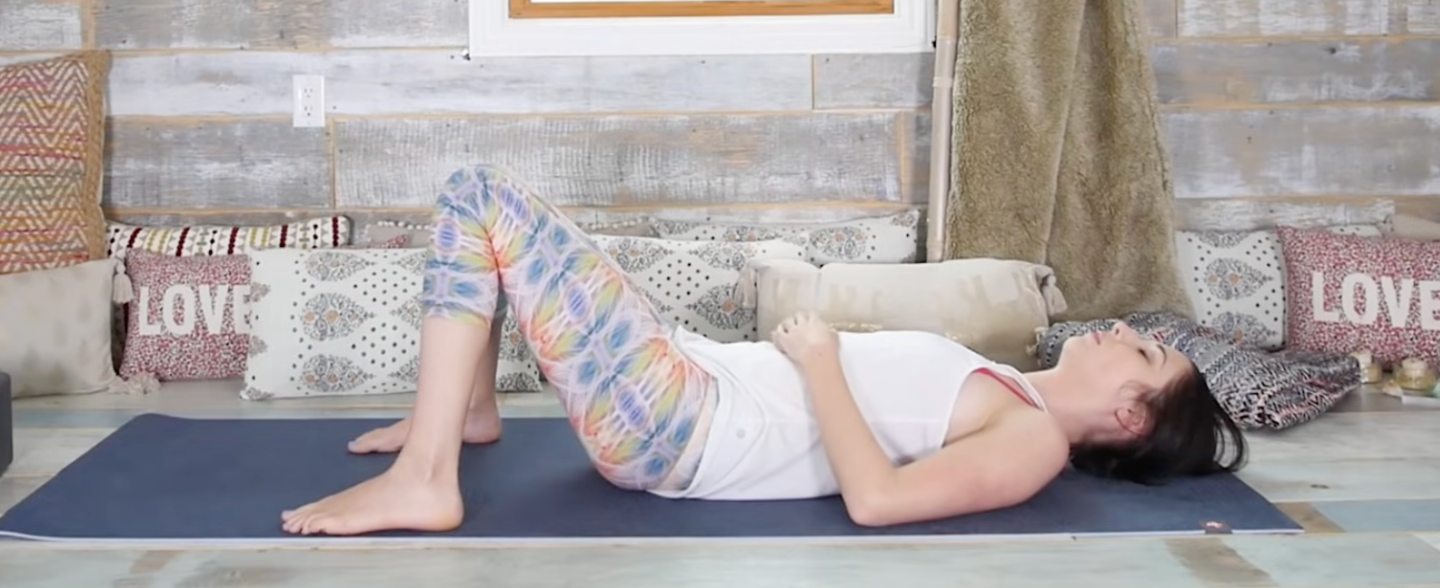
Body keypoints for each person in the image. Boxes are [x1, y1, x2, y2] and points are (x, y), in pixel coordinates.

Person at [281, 166, 1247, 536]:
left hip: (676, 422)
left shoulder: (1032, 440)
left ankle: (427, 475)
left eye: (1148, 356)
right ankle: (471, 412)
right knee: (491, 216)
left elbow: (879, 502)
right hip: (687, 377)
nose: (1129, 333)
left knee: (479, 200)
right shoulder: (1008, 385)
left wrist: (823, 362)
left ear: (1128, 418)